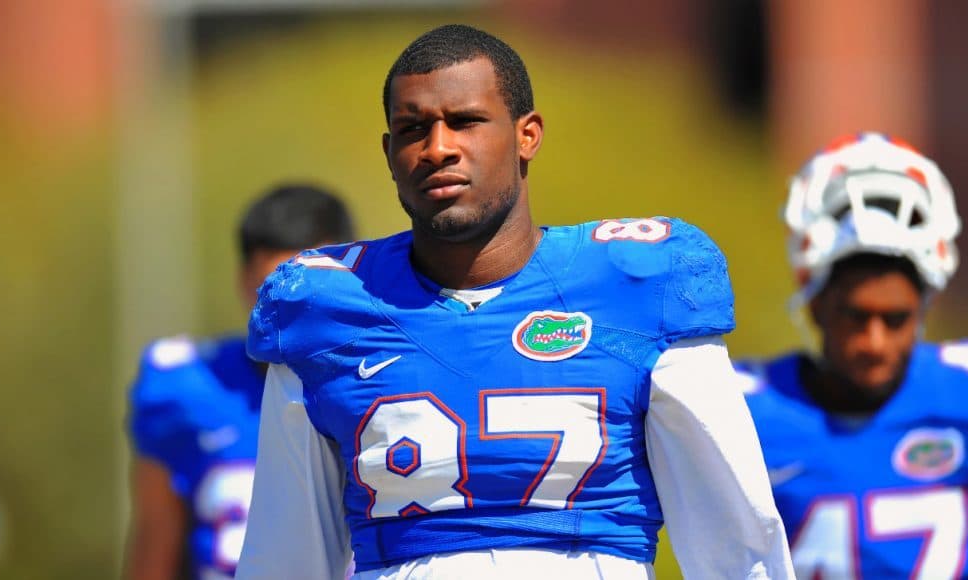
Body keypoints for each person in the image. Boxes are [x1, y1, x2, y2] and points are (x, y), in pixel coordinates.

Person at [237, 24, 793, 580]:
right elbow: (285, 560)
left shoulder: (638, 289)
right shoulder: (324, 309)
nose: (438, 148)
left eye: (465, 121)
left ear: (527, 135)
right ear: (389, 152)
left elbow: (739, 546)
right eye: (413, 129)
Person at [737, 132, 968, 578]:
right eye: (855, 316)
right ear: (815, 303)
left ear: (925, 308)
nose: (874, 342)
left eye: (896, 318)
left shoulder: (964, 389)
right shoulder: (739, 409)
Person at [124, 184, 356, 580]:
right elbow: (153, 552)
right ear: (243, 281)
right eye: (272, 289)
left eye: (309, 292)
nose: (289, 310)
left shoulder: (382, 379)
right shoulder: (186, 388)